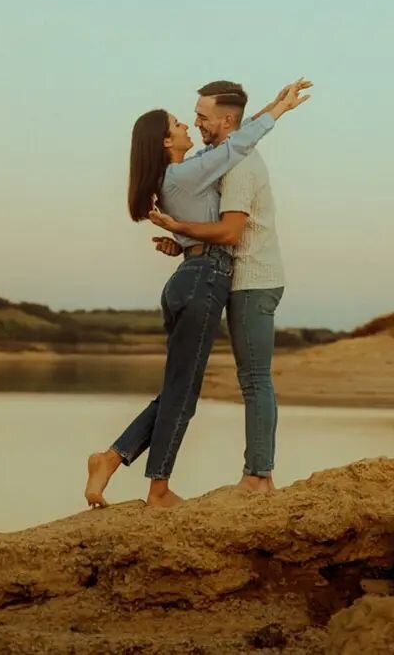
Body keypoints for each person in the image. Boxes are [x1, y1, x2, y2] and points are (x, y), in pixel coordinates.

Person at [84, 78, 311, 509]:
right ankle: (159, 488)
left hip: (202, 273)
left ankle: (113, 458)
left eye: (198, 117)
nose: (191, 123)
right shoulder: (193, 171)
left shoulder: (203, 164)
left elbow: (237, 136)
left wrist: (274, 106)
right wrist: (185, 233)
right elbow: (227, 215)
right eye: (181, 122)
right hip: (205, 276)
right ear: (166, 142)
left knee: (179, 388)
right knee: (186, 392)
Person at [149, 80, 287, 494]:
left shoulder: (240, 167)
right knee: (251, 377)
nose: (195, 122)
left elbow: (229, 233)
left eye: (202, 116)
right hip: (236, 278)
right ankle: (258, 473)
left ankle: (257, 475)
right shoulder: (221, 156)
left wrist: (180, 227)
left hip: (252, 279)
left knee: (255, 378)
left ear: (225, 120)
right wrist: (184, 243)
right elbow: (246, 128)